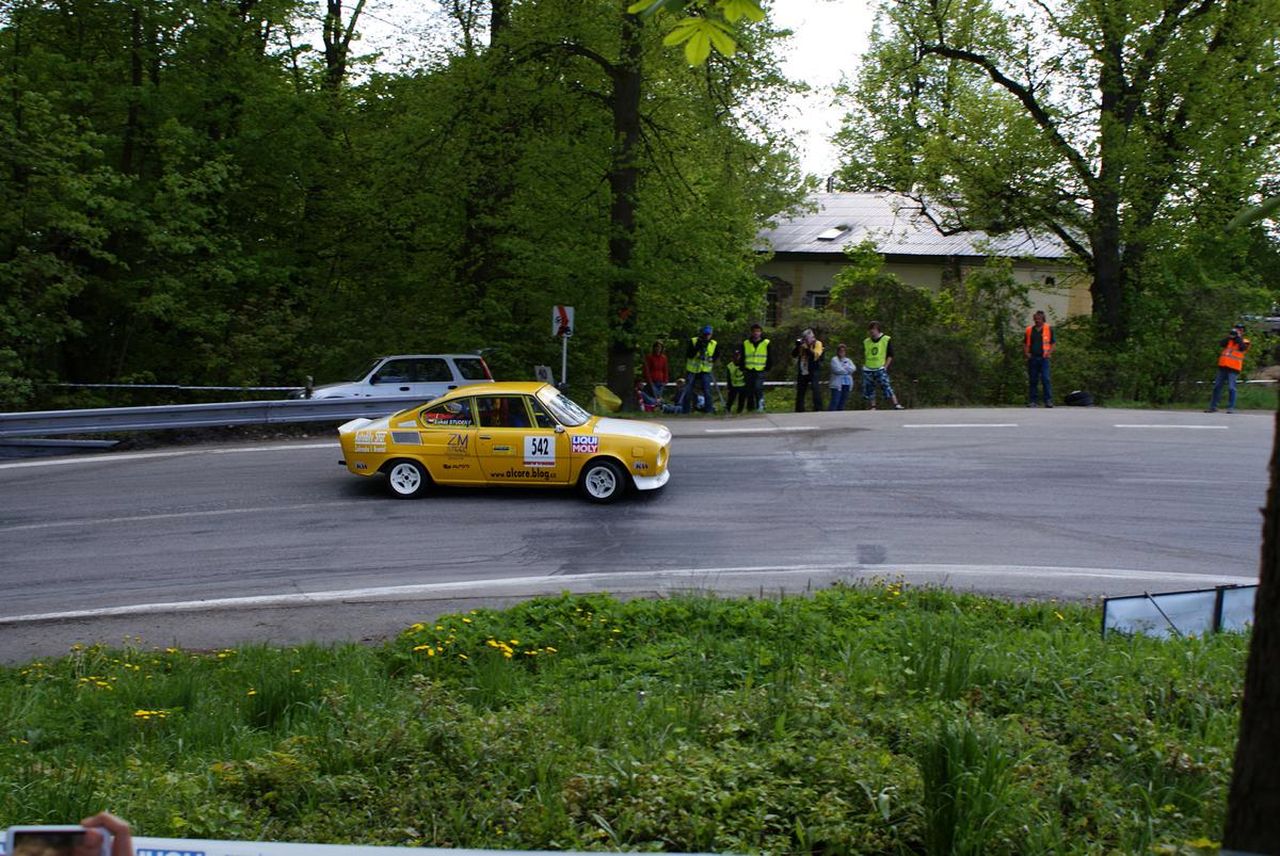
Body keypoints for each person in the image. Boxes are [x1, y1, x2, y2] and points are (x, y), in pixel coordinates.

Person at [1206, 323, 1251, 413]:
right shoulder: (1229, 340)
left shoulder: (1245, 341)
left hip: (1234, 367)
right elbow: (1221, 343)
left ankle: (1231, 408)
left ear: (1243, 331)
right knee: (1217, 387)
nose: (1238, 330)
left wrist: (1238, 338)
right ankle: (1213, 407)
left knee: (1231, 388)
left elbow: (1242, 348)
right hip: (1223, 366)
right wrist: (1230, 337)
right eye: (1236, 329)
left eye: (1240, 329)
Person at [862, 321, 903, 410]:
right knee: (870, 388)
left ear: (878, 330)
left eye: (873, 329)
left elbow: (890, 355)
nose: (871, 331)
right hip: (868, 368)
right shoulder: (866, 341)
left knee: (886, 385)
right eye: (870, 329)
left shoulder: (886, 339)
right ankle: (873, 406)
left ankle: (896, 404)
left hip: (880, 367)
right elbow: (865, 354)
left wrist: (885, 366)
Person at [680, 325, 717, 414]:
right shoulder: (694, 341)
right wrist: (698, 347)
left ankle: (708, 410)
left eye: (708, 334)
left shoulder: (713, 343)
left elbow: (716, 355)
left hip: (705, 370)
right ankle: (686, 411)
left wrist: (712, 359)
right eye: (705, 334)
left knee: (707, 390)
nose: (706, 336)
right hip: (692, 369)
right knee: (688, 390)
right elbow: (689, 355)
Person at [1025, 310, 1055, 408]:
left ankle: (1048, 400)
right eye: (1035, 319)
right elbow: (1025, 343)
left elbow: (1053, 343)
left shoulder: (1048, 329)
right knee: (1033, 380)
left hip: (1044, 358)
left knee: (1046, 379)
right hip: (1033, 358)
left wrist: (1049, 353)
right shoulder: (1029, 330)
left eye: (1039, 319)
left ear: (1043, 319)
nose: (1037, 321)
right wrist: (1027, 353)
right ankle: (1033, 401)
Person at [742, 323, 772, 412]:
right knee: (749, 390)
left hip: (760, 369)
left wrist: (768, 367)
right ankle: (750, 408)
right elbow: (743, 356)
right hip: (749, 369)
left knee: (758, 387)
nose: (756, 333)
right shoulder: (746, 343)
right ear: (751, 332)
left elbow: (769, 356)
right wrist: (742, 367)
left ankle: (760, 405)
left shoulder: (766, 343)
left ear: (761, 332)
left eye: (758, 331)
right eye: (754, 331)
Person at [792, 328, 824, 411]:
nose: (806, 340)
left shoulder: (817, 343)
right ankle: (799, 409)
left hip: (813, 370)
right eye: (805, 338)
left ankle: (818, 408)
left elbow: (815, 356)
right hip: (803, 370)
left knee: (815, 388)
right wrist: (797, 346)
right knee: (800, 390)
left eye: (807, 338)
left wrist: (807, 348)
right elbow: (794, 355)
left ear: (812, 337)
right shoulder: (802, 344)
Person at [827, 343, 856, 411]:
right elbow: (837, 370)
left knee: (843, 402)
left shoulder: (848, 360)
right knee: (835, 401)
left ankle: (840, 415)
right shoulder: (834, 359)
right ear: (837, 351)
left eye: (843, 351)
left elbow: (853, 368)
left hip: (847, 383)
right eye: (840, 351)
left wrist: (844, 368)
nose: (842, 352)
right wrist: (847, 370)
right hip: (837, 384)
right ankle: (830, 414)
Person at [642, 340, 669, 405]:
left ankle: (659, 405)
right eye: (657, 347)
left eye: (660, 347)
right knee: (656, 396)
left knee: (658, 396)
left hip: (661, 381)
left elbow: (665, 369)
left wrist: (666, 380)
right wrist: (649, 380)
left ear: (662, 348)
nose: (658, 349)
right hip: (652, 381)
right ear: (654, 348)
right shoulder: (650, 357)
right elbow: (646, 370)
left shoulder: (664, 358)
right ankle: (661, 404)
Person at [725, 347, 747, 414]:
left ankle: (740, 411)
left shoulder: (745, 364)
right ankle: (727, 410)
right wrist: (729, 386)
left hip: (742, 384)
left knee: (742, 399)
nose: (737, 357)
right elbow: (728, 377)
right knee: (731, 399)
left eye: (738, 356)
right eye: (735, 356)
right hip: (733, 385)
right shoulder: (729, 366)